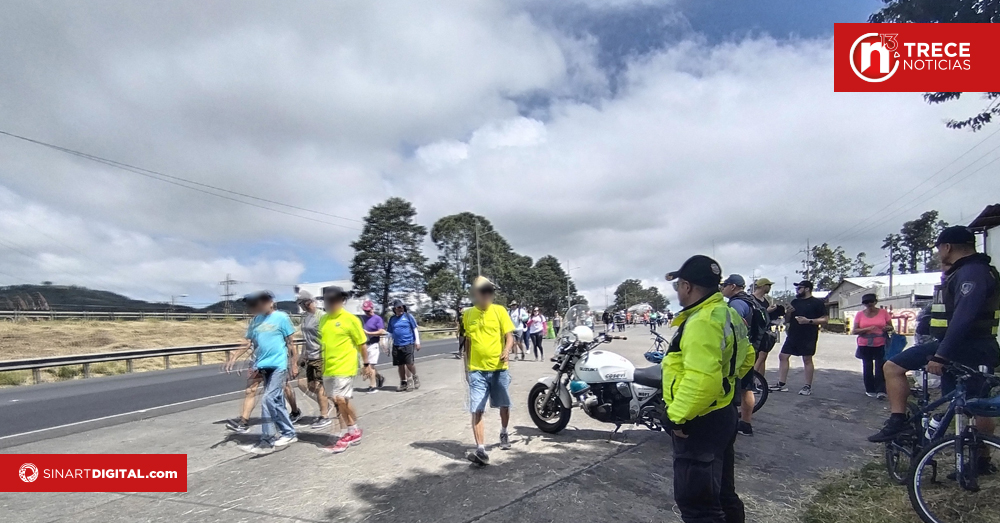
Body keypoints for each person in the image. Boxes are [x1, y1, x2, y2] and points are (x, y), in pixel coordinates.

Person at [869, 227, 1000, 470]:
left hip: (961, 347)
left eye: (940, 247)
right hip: (978, 346)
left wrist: (941, 355)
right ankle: (980, 460)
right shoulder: (977, 271)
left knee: (892, 367)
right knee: (976, 403)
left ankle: (898, 420)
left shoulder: (971, 273)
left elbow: (964, 317)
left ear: (947, 247)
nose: (940, 252)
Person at [663, 256, 752, 523]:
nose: (677, 290)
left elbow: (702, 380)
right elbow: (748, 355)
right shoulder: (728, 313)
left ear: (688, 286)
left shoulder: (701, 321)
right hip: (723, 413)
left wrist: (676, 416)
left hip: (700, 421)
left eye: (678, 284)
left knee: (698, 507)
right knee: (724, 495)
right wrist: (726, 381)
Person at [224, 291, 298, 454]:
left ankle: (267, 439)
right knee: (276, 401)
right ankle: (289, 433)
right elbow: (247, 342)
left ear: (270, 302)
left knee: (268, 399)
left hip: (279, 365)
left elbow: (291, 343)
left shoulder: (281, 317)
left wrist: (293, 364)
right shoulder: (255, 321)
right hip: (263, 365)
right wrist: (234, 357)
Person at [460, 276, 515, 465]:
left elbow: (509, 337)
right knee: (476, 408)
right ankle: (481, 450)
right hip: (477, 370)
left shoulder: (500, 311)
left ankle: (504, 431)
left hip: (499, 369)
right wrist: (467, 368)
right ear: (476, 294)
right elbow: (467, 342)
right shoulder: (467, 315)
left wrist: (507, 350)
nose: (487, 295)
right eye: (483, 291)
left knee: (504, 405)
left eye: (489, 291)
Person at [318, 286, 374, 454]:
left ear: (342, 301)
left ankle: (350, 431)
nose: (331, 303)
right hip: (329, 366)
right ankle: (353, 430)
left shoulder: (351, 319)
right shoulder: (323, 320)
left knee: (340, 398)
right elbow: (324, 343)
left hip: (346, 365)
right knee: (340, 401)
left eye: (334, 300)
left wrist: (366, 364)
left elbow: (362, 343)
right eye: (328, 300)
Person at [721, 274, 768, 437]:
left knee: (731, 389)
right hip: (749, 351)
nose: (722, 288)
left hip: (738, 354)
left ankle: (731, 424)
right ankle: (746, 424)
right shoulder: (750, 300)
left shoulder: (737, 303)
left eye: (724, 285)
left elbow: (733, 324)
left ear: (733, 286)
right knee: (746, 388)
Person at [769, 280, 828, 396]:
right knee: (783, 356)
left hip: (808, 335)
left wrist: (809, 321)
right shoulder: (795, 302)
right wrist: (789, 313)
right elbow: (786, 320)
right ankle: (781, 384)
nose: (797, 290)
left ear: (807, 289)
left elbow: (825, 320)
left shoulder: (817, 303)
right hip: (793, 334)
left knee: (807, 359)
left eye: (799, 288)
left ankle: (807, 386)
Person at [295, 290, 333, 429]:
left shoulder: (322, 316)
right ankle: (329, 403)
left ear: (307, 302)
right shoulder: (305, 317)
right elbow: (306, 339)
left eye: (301, 303)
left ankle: (324, 415)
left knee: (318, 385)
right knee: (306, 385)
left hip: (320, 356)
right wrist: (302, 355)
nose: (300, 306)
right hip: (309, 356)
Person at [852, 294, 893, 399]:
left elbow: (890, 326)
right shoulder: (860, 314)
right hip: (865, 344)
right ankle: (870, 389)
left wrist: (886, 328)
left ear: (875, 302)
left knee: (881, 367)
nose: (869, 305)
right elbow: (854, 330)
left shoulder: (883, 313)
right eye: (866, 303)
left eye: (871, 302)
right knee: (867, 366)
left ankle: (881, 389)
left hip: (880, 343)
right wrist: (867, 329)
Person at [387, 300, 421, 392]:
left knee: (409, 363)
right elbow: (389, 333)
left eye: (402, 307)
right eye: (398, 307)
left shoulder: (408, 316)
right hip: (396, 344)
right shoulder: (392, 319)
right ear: (394, 309)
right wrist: (387, 345)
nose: (400, 309)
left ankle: (413, 377)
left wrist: (417, 342)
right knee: (400, 365)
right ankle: (403, 383)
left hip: (408, 343)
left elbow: (415, 329)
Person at [749, 278, 779, 379]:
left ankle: (761, 381)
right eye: (768, 285)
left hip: (765, 331)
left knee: (763, 356)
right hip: (755, 332)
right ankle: (752, 379)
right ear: (762, 286)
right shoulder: (751, 299)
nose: (770, 288)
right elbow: (754, 315)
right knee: (759, 357)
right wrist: (767, 311)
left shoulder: (765, 300)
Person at [361, 300, 387, 393]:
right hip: (363, 345)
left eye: (368, 310)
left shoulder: (377, 319)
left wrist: (369, 333)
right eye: (365, 310)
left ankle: (373, 386)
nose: (367, 312)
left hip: (373, 344)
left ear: (372, 308)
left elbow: (382, 331)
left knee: (370, 365)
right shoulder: (362, 318)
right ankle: (379, 377)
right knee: (365, 366)